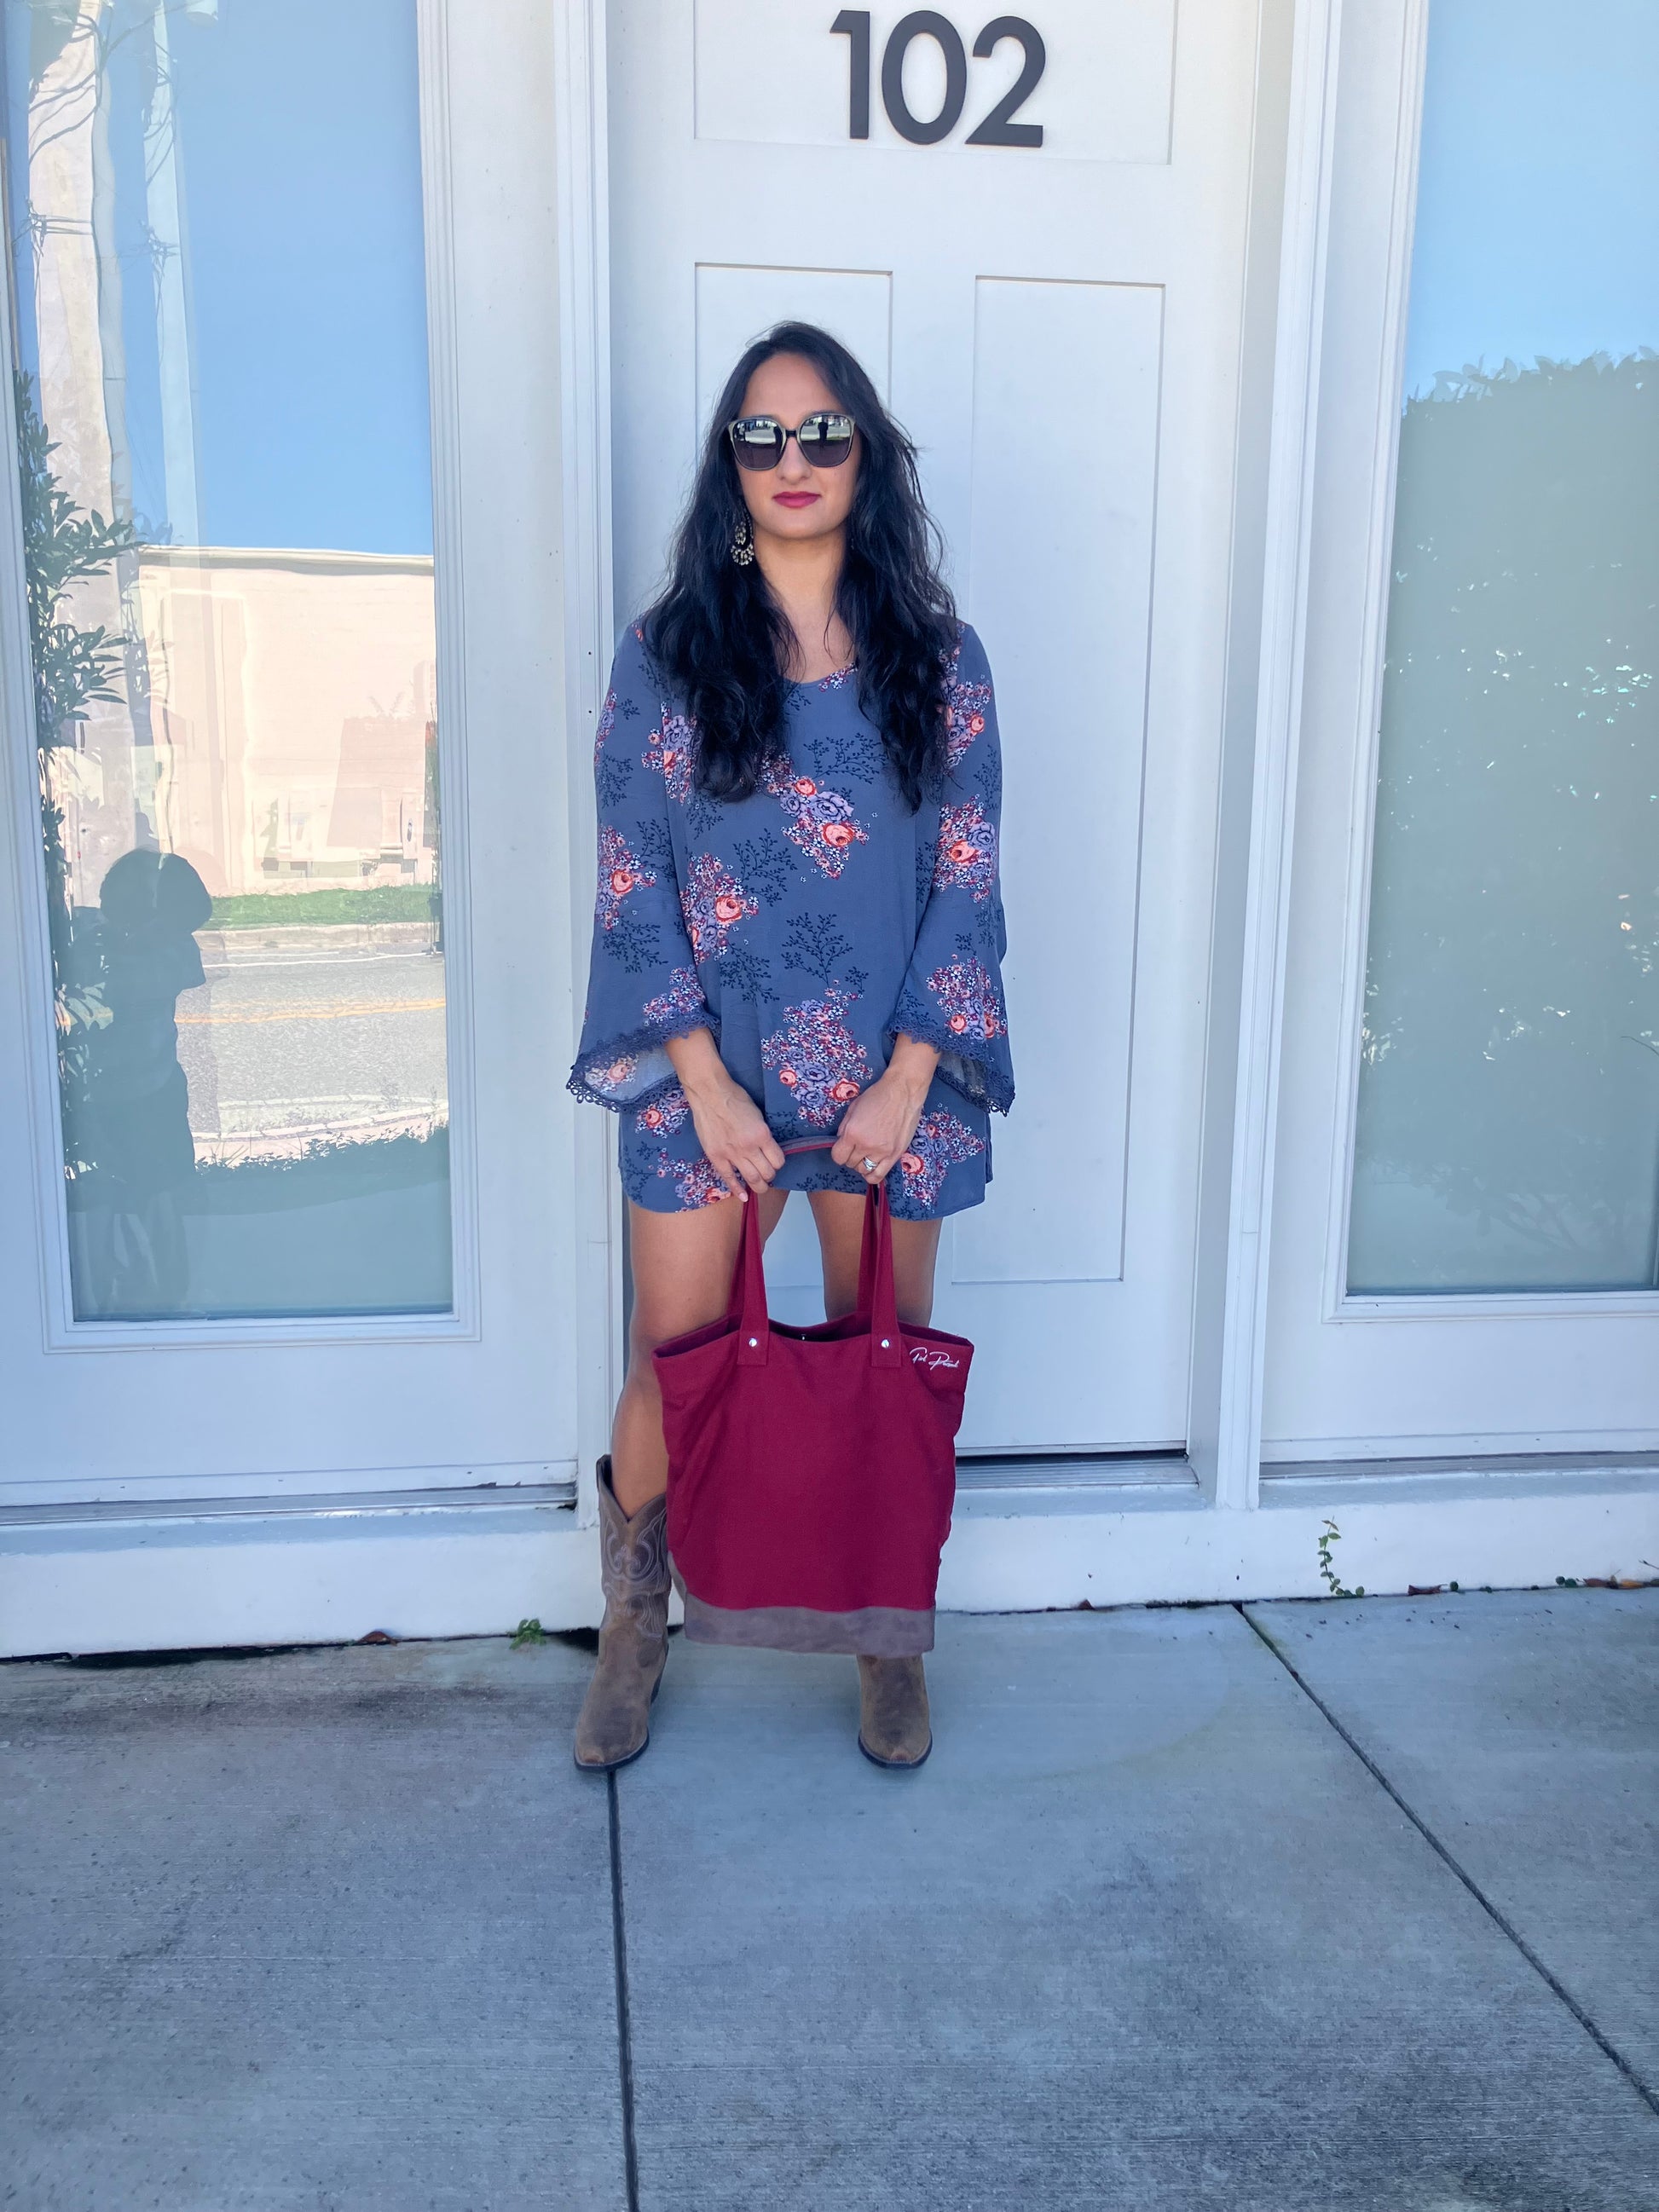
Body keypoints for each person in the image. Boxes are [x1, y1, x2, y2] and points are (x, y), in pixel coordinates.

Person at [568, 322, 1013, 1773]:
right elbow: (632, 872)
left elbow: (966, 875)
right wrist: (699, 1081)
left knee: (878, 1362)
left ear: (865, 455)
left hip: (888, 1077)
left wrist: (908, 1077)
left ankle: (887, 1638)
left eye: (823, 431)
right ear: (729, 466)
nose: (793, 459)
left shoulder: (939, 660)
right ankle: (634, 1632)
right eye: (760, 435)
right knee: (673, 1366)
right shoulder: (666, 658)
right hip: (707, 1075)